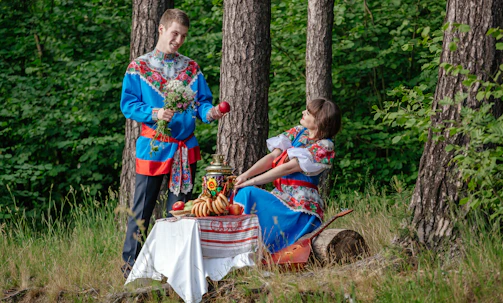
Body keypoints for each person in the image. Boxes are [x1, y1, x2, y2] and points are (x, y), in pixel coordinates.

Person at [120, 8, 224, 278]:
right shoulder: (138, 67)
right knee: (141, 209)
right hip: (153, 147)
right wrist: (154, 114)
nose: (178, 39)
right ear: (161, 29)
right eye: (175, 33)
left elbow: (202, 103)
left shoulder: (190, 68)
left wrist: (209, 113)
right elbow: (128, 104)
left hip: (183, 149)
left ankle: (173, 271)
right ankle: (131, 270)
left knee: (180, 213)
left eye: (183, 36)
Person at [233, 98, 341, 253]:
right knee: (241, 192)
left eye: (308, 113)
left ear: (320, 121)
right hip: (282, 197)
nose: (304, 113)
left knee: (248, 192)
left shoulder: (325, 146)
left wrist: (251, 182)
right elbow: (272, 158)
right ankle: (237, 248)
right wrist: (245, 176)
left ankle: (245, 250)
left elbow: (287, 168)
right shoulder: (298, 132)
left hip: (299, 208)